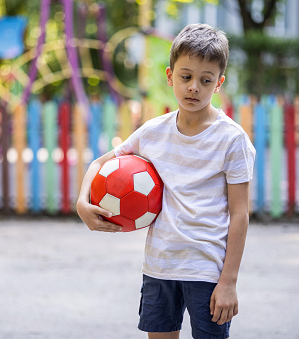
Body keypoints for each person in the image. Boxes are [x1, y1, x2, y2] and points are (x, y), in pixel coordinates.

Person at [76, 23, 255, 339]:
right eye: (186, 77)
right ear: (171, 76)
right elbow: (99, 163)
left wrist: (229, 281)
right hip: (158, 267)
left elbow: (240, 214)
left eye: (205, 80)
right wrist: (81, 203)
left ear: (218, 84)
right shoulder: (153, 132)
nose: (193, 88)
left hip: (207, 270)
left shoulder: (232, 140)